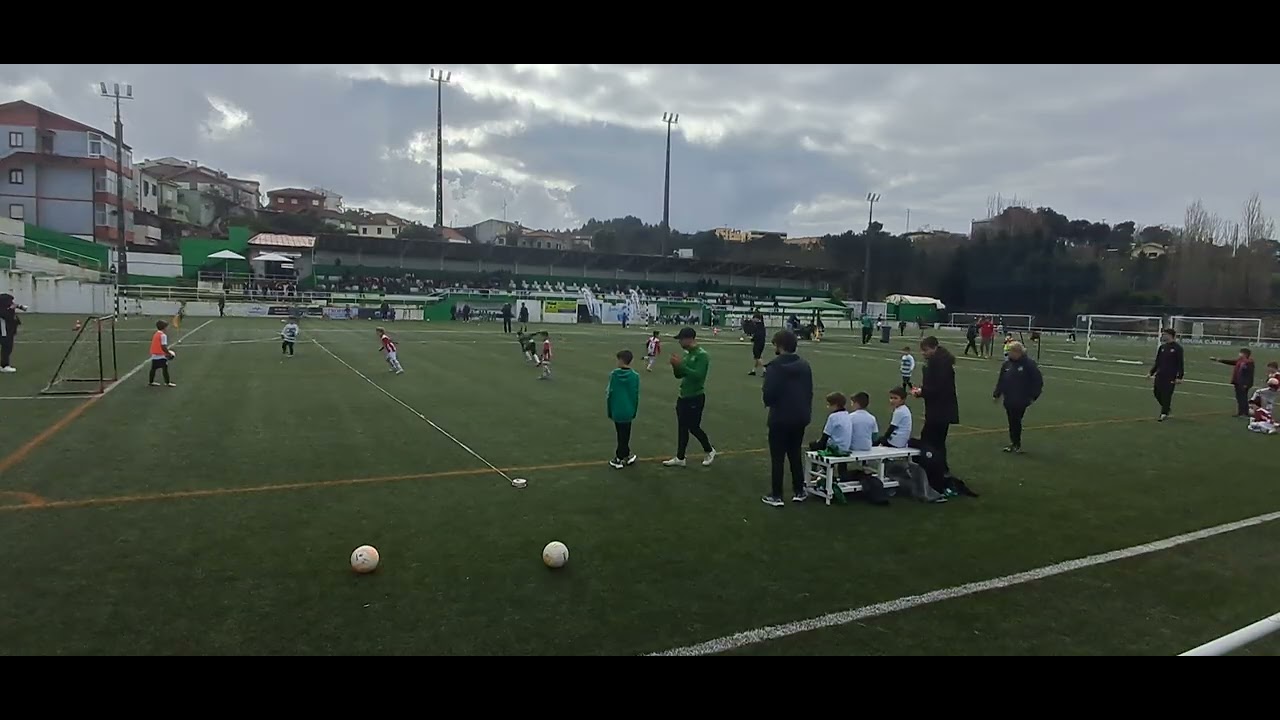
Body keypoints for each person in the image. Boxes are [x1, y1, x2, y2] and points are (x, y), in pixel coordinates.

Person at [760, 330, 812, 507]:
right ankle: (799, 490)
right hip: (800, 416)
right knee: (795, 453)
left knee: (778, 457)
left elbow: (769, 393)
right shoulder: (804, 365)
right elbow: (809, 391)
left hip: (780, 417)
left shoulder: (775, 367)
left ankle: (777, 495)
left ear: (779, 345)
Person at [912, 336, 961, 490]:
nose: (923, 353)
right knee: (937, 440)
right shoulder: (940, 362)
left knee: (930, 439)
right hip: (941, 409)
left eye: (925, 350)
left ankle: (933, 469)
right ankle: (941, 468)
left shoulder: (940, 364)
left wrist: (921, 391)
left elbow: (939, 388)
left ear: (933, 348)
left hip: (940, 409)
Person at [663, 327, 717, 468]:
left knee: (693, 427)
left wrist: (681, 365)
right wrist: (676, 366)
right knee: (682, 428)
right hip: (684, 396)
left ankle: (710, 450)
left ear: (689, 339)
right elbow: (679, 375)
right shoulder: (687, 355)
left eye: (681, 339)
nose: (680, 342)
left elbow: (698, 376)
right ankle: (680, 457)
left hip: (695, 396)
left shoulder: (702, 355)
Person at [992, 341, 1043, 454]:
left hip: (1021, 399)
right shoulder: (1007, 365)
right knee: (1012, 421)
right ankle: (1014, 443)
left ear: (1018, 352)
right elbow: (1001, 380)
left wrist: (1033, 396)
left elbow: (1037, 381)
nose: (1009, 354)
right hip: (1009, 398)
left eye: (1010, 351)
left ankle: (1016, 444)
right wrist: (997, 394)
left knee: (1015, 420)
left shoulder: (1028, 364)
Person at [606, 349, 641, 469]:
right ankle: (626, 455)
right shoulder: (635, 376)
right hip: (629, 409)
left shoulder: (614, 375)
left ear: (621, 360)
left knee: (621, 435)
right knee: (625, 434)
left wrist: (610, 410)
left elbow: (610, 393)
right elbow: (635, 394)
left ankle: (619, 459)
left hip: (617, 409)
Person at [1149, 328, 1184, 422]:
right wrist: (1151, 373)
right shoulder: (1162, 347)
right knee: (1157, 393)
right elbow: (1158, 362)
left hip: (1170, 376)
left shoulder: (1178, 348)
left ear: (1170, 335)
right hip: (1160, 375)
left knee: (1167, 394)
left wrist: (1180, 377)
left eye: (1165, 334)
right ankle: (1166, 408)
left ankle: (1163, 413)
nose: (1163, 336)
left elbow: (1180, 363)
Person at [1211, 348, 1256, 417]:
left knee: (1243, 398)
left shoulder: (1248, 362)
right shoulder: (1240, 361)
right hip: (1238, 382)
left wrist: (1246, 384)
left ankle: (1244, 413)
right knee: (1239, 398)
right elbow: (1231, 362)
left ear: (1245, 354)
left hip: (1243, 383)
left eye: (1241, 353)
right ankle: (1241, 412)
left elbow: (1249, 374)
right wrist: (1218, 360)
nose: (1240, 354)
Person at [0, 293, 26, 373]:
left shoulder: (6, 308)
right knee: (7, 347)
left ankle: (4, 365)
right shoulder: (3, 309)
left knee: (8, 347)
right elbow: (5, 316)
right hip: (4, 331)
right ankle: (4, 365)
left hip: (8, 330)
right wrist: (11, 309)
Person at [148, 320, 176, 387]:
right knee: (165, 368)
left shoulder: (156, 334)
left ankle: (151, 382)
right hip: (160, 355)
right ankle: (167, 382)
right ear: (164, 327)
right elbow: (163, 346)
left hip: (154, 354)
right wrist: (168, 353)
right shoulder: (163, 335)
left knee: (153, 368)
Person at [748, 312, 766, 376]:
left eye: (754, 318)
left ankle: (765, 370)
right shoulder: (761, 325)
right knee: (758, 357)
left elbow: (758, 335)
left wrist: (752, 338)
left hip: (758, 343)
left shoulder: (758, 325)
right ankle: (753, 370)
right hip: (761, 343)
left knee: (758, 357)